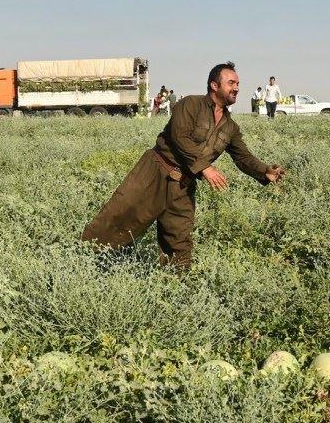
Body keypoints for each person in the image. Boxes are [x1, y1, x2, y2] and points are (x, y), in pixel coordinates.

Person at [81, 62, 285, 269]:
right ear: (214, 85)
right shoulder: (190, 104)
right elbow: (180, 137)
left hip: (183, 186)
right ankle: (81, 262)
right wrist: (206, 167)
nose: (237, 87)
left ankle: (175, 288)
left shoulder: (230, 127)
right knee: (116, 222)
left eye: (238, 83)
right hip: (155, 172)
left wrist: (264, 171)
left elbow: (243, 156)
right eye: (231, 82)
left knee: (179, 242)